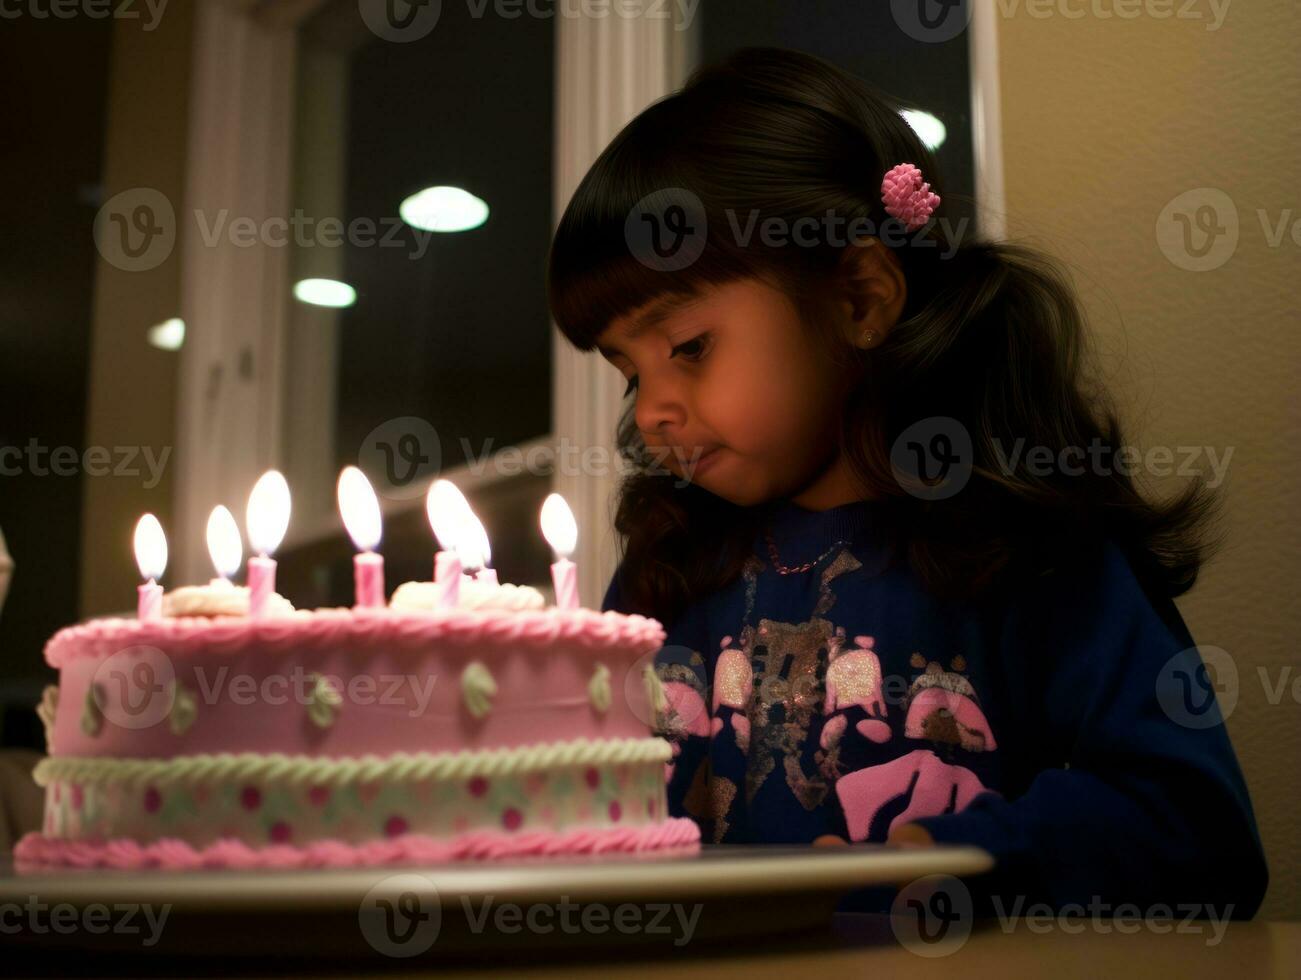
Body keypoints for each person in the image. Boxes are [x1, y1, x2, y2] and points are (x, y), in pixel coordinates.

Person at [546, 47, 1267, 917]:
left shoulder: (1023, 542)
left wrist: (968, 857)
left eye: (688, 347)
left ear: (858, 297)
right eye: (629, 371)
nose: (654, 409)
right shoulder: (670, 569)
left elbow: (1196, 831)